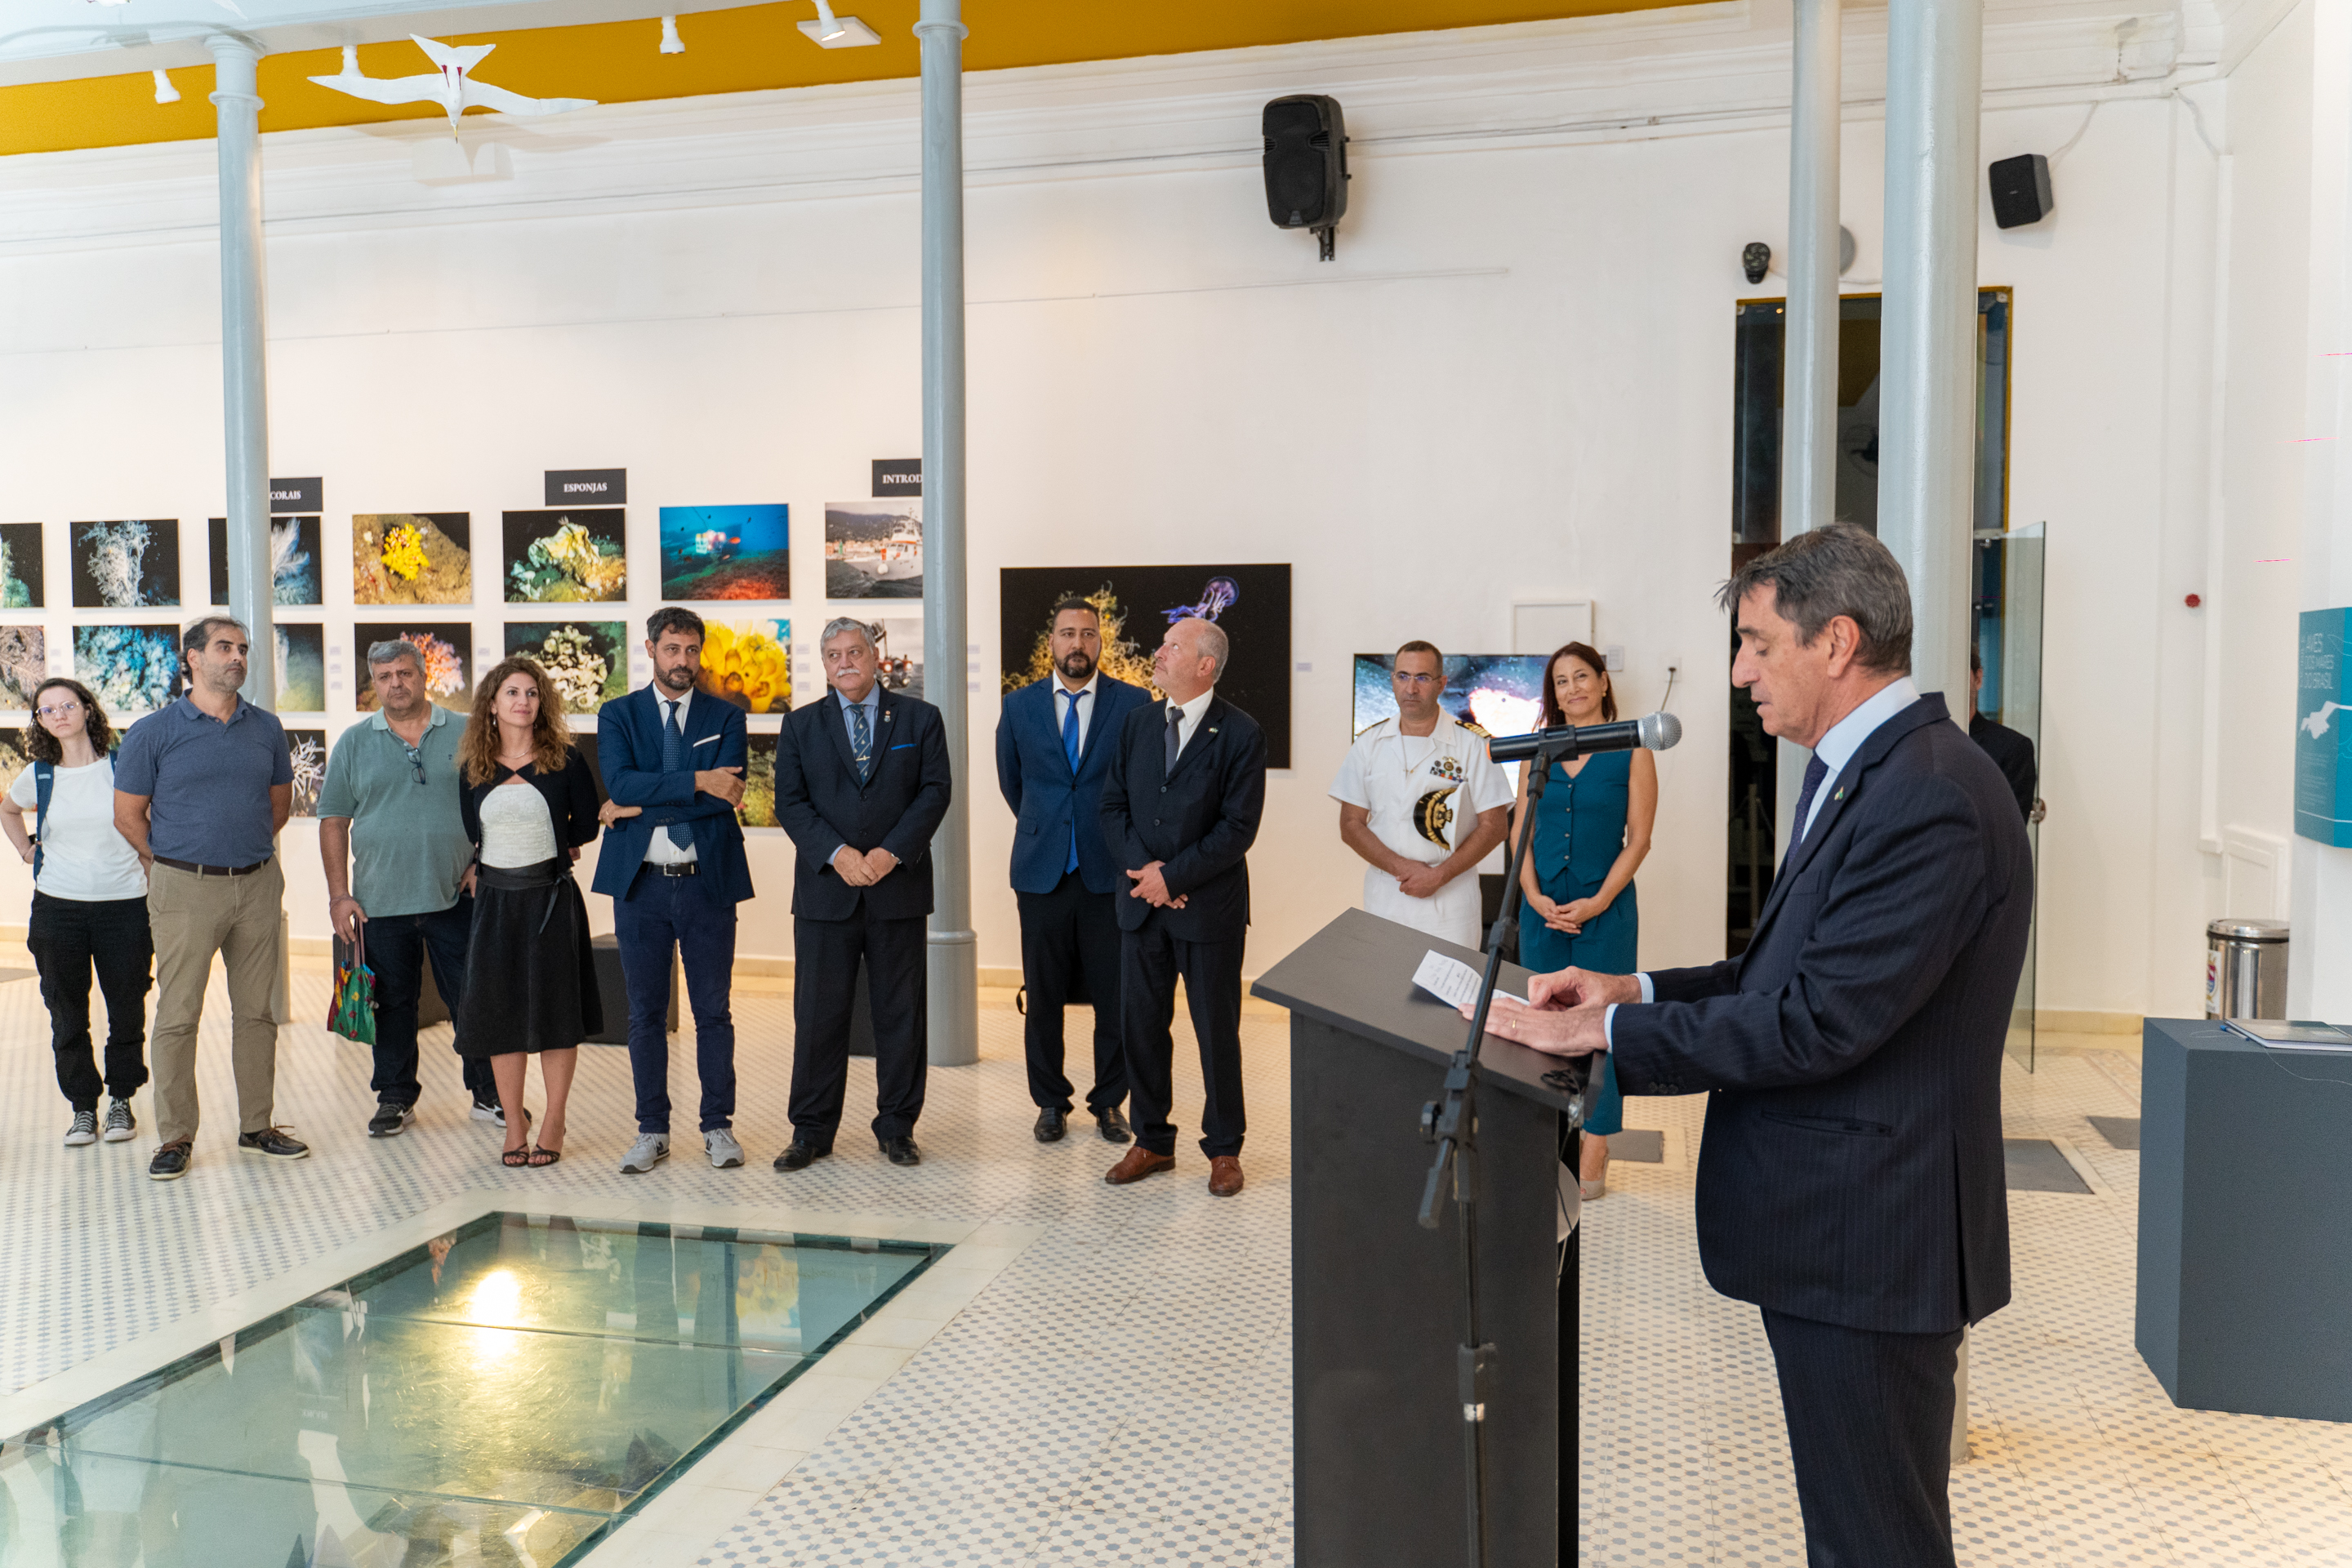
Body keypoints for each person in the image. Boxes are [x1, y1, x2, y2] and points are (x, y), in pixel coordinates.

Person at [1474, 524, 2033, 1568]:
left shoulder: (1929, 794)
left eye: (1757, 644)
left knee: (1876, 1541)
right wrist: (1630, 989)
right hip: (1845, 1233)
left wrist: (1608, 1033)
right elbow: (1779, 972)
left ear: (1837, 642)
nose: (1739, 673)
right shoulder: (1864, 773)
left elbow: (1821, 1020)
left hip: (1872, 1240)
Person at [113, 617, 306, 1182]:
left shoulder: (267, 728)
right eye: (225, 647)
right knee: (178, 1015)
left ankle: (257, 1125)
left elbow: (278, 807)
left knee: (257, 1013)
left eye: (242, 648)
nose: (237, 657)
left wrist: (239, 852)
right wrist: (171, 861)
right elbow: (127, 816)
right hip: (184, 887)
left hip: (258, 883)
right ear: (193, 658)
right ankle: (175, 1137)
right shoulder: (152, 731)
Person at [772, 617, 951, 1171]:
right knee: (818, 1016)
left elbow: (935, 791)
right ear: (824, 664)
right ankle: (810, 1131)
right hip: (827, 892)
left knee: (901, 1015)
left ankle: (897, 1127)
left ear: (875, 657)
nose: (845, 662)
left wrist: (889, 853)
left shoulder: (920, 718)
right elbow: (790, 802)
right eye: (834, 655)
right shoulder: (800, 725)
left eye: (854, 652)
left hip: (898, 890)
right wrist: (839, 854)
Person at [1098, 615, 1267, 1198]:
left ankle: (1224, 1149)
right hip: (1141, 905)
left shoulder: (1241, 733)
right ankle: (1151, 1141)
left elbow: (1238, 828)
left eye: (1172, 646)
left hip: (1208, 910)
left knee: (1216, 1032)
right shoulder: (1137, 724)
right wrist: (1149, 876)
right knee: (1141, 1027)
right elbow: (1112, 807)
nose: (1159, 652)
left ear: (1205, 665)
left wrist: (1172, 877)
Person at [594, 607, 755, 1176]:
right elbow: (620, 782)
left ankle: (717, 1127)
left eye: (690, 650)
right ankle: (652, 1130)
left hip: (708, 883)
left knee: (713, 1011)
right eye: (671, 649)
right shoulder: (618, 714)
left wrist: (639, 806)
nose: (682, 660)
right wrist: (697, 779)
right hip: (641, 887)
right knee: (645, 1014)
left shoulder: (727, 716)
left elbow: (724, 799)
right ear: (650, 649)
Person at [318, 640, 492, 1138]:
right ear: (375, 683)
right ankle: (395, 1097)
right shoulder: (354, 742)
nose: (396, 683)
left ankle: (489, 1094)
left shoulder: (466, 732)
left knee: (472, 1000)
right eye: (385, 676)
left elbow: (496, 801)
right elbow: (333, 821)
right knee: (392, 1006)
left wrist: (482, 861)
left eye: (405, 673)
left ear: (423, 675)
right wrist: (339, 896)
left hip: (456, 896)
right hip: (379, 902)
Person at [995, 597, 1152, 1144]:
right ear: (1052, 642)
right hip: (1041, 872)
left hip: (1109, 873)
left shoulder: (1133, 703)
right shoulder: (1018, 706)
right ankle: (1050, 1102)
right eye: (1068, 633)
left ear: (1100, 642)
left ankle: (1110, 1102)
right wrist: (1049, 828)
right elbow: (1013, 783)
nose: (1077, 644)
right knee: (1043, 997)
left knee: (1115, 997)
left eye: (1088, 634)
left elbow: (1140, 784)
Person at [1514, 640, 1655, 1200]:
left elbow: (1639, 839)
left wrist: (1597, 903)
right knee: (1542, 1024)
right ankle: (1545, 1136)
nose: (1571, 689)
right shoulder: (1537, 750)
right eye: (1560, 681)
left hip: (1606, 911)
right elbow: (1520, 833)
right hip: (1542, 912)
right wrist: (1531, 895)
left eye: (1580, 677)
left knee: (1602, 1027)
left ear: (1602, 682)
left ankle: (1596, 1143)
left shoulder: (1633, 748)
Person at [454, 657, 605, 1169]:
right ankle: (515, 1125)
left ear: (543, 703)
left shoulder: (566, 759)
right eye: (512, 693)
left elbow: (585, 826)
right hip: (496, 904)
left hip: (551, 901)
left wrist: (559, 845)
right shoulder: (473, 767)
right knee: (501, 1015)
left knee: (556, 1013)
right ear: (492, 705)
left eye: (533, 693)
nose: (524, 701)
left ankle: (554, 1119)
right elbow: (473, 832)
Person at [1, 678, 149, 1149]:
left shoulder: (122, 767)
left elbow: (150, 824)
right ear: (40, 722)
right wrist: (27, 851)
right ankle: (83, 1107)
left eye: (67, 705)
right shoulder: (39, 775)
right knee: (66, 1012)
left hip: (125, 905)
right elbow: (8, 810)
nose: (59, 715)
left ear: (87, 709)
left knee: (126, 1007)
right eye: (47, 710)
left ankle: (121, 1099)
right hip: (57, 908)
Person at [1330, 640, 1512, 948]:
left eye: (1422, 678)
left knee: (1452, 980)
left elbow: (1495, 826)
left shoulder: (1473, 744)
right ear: (1392, 680)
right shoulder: (1369, 743)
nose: (1411, 688)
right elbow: (1350, 824)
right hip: (1387, 893)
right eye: (1403, 676)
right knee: (1383, 978)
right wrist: (1400, 867)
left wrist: (1439, 875)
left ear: (1442, 683)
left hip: (1450, 897)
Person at [1967, 644, 2038, 822]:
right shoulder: (1915, 744)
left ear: (1978, 678)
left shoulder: (2013, 749)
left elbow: (2010, 828)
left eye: (1957, 674)